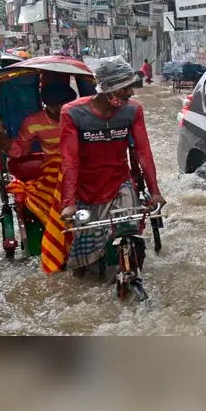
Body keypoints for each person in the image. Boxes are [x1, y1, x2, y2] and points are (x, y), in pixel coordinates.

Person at [58, 56, 166, 278]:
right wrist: (68, 203)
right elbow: (70, 160)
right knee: (81, 262)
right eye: (125, 88)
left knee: (132, 235)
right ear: (107, 88)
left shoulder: (133, 110)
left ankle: (133, 273)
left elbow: (143, 152)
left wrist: (155, 192)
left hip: (120, 182)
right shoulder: (72, 113)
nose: (131, 93)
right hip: (87, 187)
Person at [2, 81, 77, 230]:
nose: (70, 108)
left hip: (81, 164)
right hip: (54, 170)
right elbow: (19, 151)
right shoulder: (33, 122)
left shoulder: (80, 115)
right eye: (64, 104)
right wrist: (1, 139)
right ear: (50, 106)